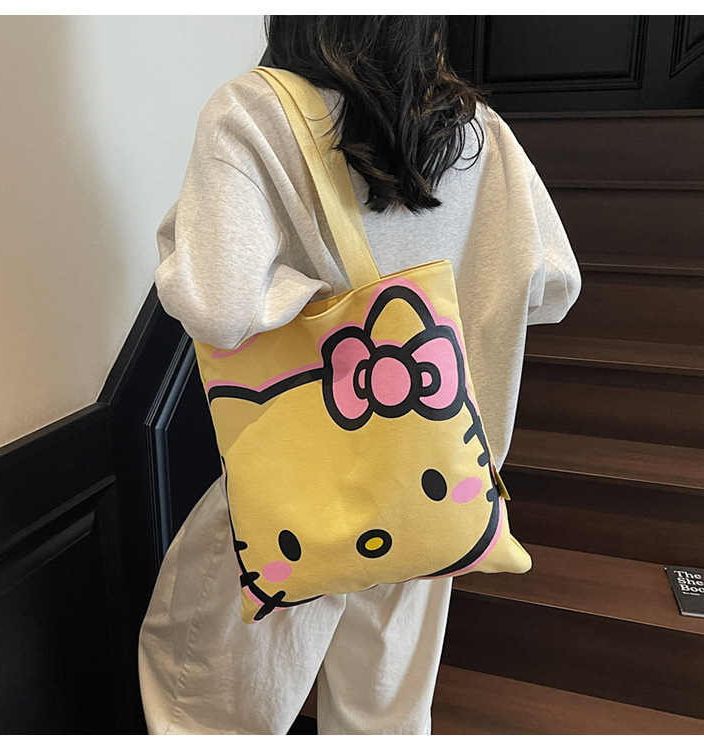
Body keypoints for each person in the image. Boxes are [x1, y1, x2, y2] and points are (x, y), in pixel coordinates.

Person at [137, 16, 581, 735]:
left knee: (204, 705)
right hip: (438, 485)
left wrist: (315, 306)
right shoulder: (480, 133)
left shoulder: (252, 109)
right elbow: (556, 287)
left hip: (299, 496)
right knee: (385, 717)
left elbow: (217, 304)